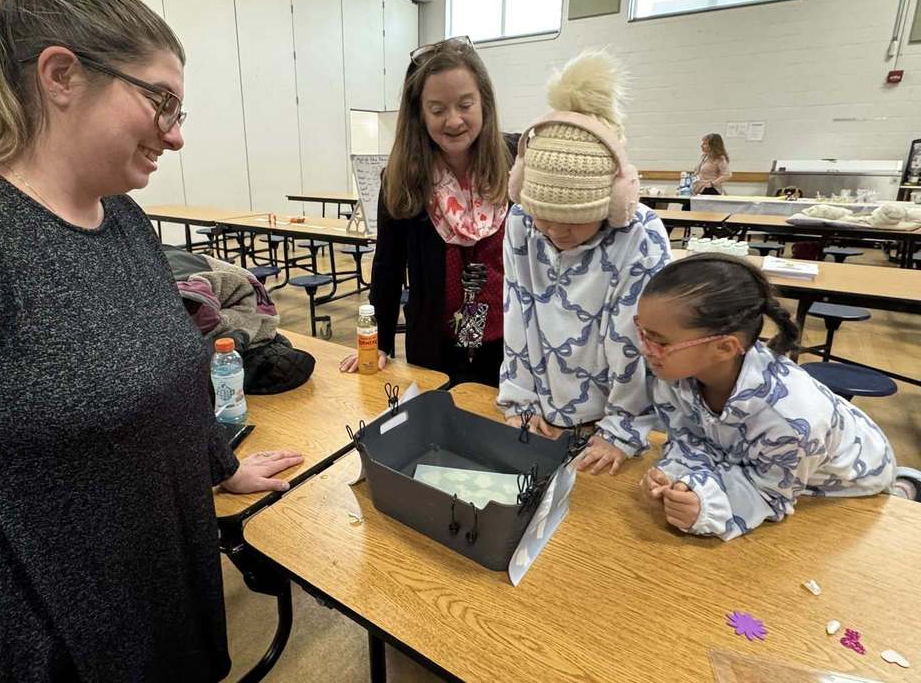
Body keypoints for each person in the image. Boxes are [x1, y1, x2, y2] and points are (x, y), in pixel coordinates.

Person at [0, 0, 302, 681]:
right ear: (61, 76)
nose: (176, 136)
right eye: (162, 102)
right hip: (39, 643)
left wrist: (220, 463)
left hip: (158, 603)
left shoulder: (120, 218)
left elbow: (167, 375)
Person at [636, 254, 902, 541]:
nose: (645, 349)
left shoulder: (791, 420)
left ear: (725, 348)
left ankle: (903, 486)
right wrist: (678, 477)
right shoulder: (679, 373)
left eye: (660, 342)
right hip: (769, 459)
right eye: (642, 333)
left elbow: (769, 493)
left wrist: (707, 509)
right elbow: (690, 437)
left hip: (845, 481)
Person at [497, 50, 671, 475]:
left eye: (573, 221)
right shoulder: (521, 222)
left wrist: (621, 429)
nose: (556, 232)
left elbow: (635, 342)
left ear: (614, 202)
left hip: (608, 420)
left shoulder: (640, 237)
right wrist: (521, 401)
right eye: (544, 218)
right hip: (543, 410)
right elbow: (517, 314)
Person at [339, 36, 514, 385]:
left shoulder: (515, 161)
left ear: (485, 104)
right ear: (420, 114)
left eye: (466, 104)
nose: (453, 121)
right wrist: (380, 343)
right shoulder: (405, 177)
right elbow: (387, 267)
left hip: (512, 347)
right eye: (437, 110)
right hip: (435, 347)